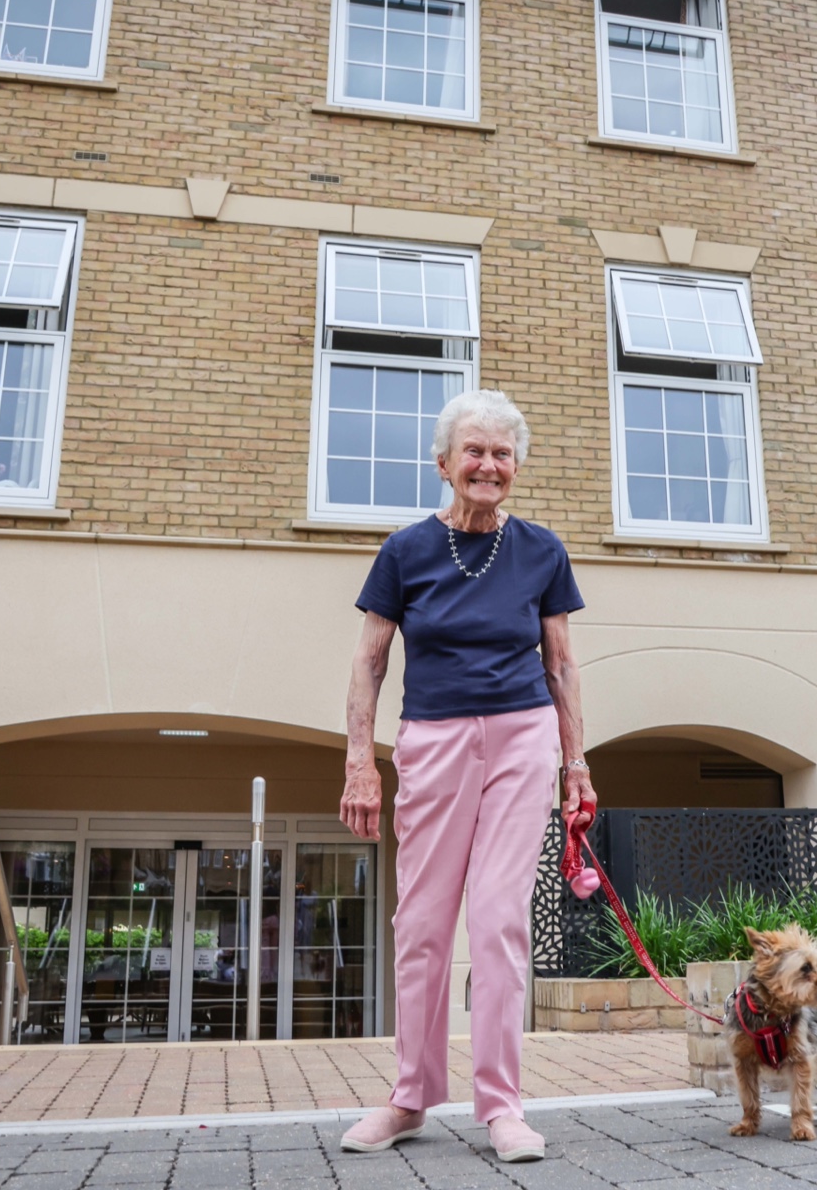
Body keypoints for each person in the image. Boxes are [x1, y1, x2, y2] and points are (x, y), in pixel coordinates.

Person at [337, 388, 593, 1164]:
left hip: (522, 738)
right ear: (444, 463)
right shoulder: (406, 550)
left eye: (502, 454)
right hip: (434, 739)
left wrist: (575, 764)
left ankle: (502, 1105)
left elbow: (561, 662)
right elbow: (370, 660)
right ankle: (410, 1096)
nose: (488, 465)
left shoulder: (543, 550)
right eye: (474, 452)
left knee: (499, 922)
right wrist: (360, 762)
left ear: (515, 466)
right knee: (420, 924)